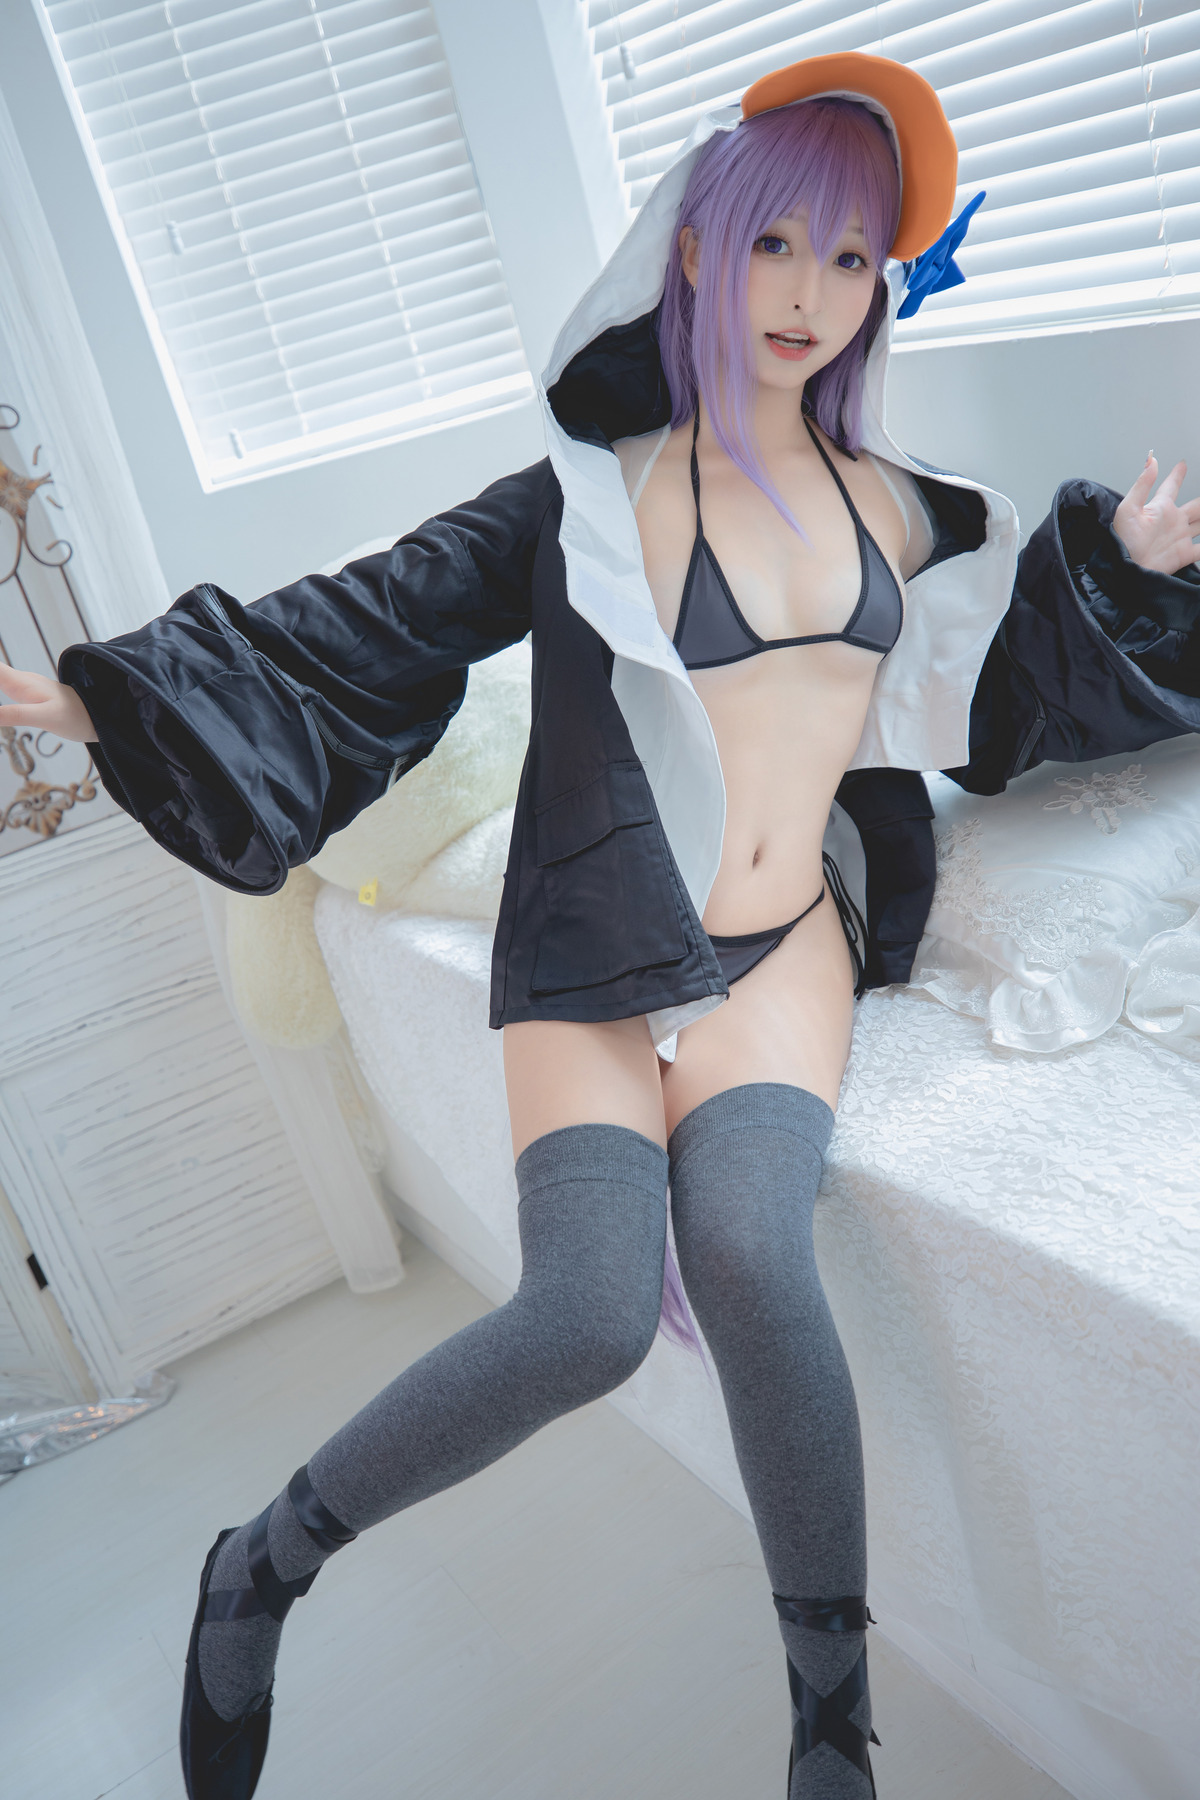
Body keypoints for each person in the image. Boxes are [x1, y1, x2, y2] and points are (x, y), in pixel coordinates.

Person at [3, 51, 1198, 1800]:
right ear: (696, 251)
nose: (808, 290)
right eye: (775, 241)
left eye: (850, 257)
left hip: (782, 951)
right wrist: (100, 704)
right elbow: (369, 622)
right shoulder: (583, 498)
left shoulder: (910, 508)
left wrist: (1130, 581)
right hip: (593, 942)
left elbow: (995, 711)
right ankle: (259, 1567)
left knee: (756, 1259)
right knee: (585, 1315)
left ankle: (830, 1729)